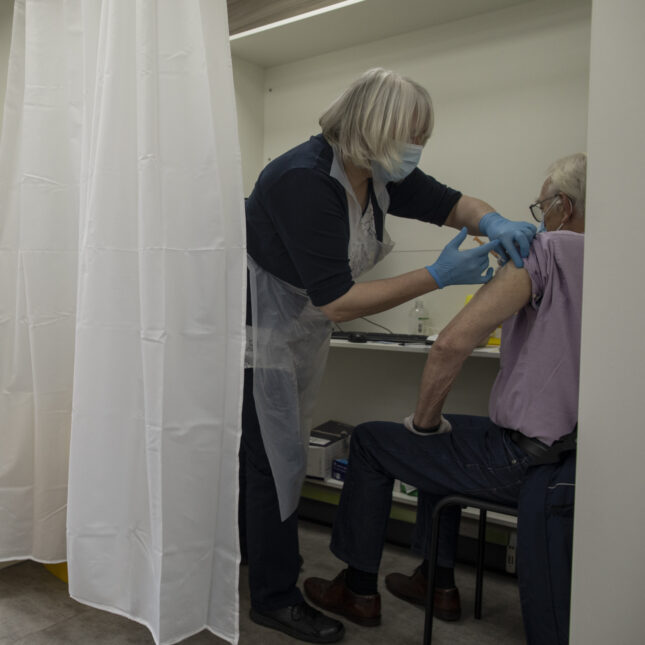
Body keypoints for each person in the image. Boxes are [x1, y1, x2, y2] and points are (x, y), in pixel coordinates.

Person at [242, 67, 536, 644]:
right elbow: (339, 301)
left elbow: (456, 205)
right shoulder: (303, 180)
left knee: (278, 457)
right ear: (374, 130)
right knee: (270, 463)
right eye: (411, 135)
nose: (417, 150)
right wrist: (438, 275)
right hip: (257, 334)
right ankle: (273, 598)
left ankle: (262, 563)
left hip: (299, 328)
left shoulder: (374, 173)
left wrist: (494, 220)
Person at [302, 153, 586, 641]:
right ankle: (436, 582)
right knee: (448, 434)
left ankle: (358, 589)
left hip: (522, 459)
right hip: (568, 453)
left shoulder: (546, 250)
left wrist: (424, 427)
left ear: (562, 204)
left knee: (376, 440)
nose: (539, 220)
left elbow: (452, 344)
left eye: (541, 208)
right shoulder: (621, 257)